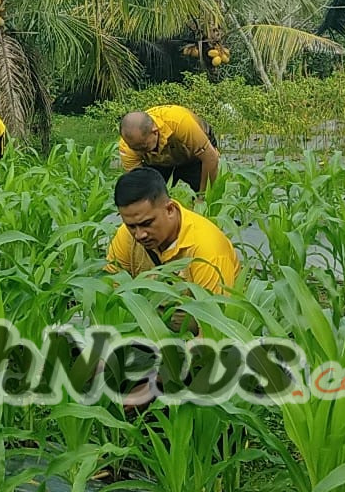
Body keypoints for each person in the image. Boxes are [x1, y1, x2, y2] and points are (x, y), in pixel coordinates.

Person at [99, 167, 242, 415]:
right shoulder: (127, 237)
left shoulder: (206, 248)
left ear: (169, 209)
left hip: (208, 341)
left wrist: (151, 387)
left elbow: (215, 334)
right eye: (130, 225)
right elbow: (111, 303)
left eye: (147, 224)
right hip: (161, 333)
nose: (139, 234)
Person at [118, 105, 220, 196]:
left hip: (193, 155)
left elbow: (210, 158)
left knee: (206, 195)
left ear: (155, 132)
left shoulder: (181, 123)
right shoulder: (127, 147)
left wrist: (202, 197)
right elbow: (139, 183)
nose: (140, 153)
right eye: (136, 149)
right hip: (157, 162)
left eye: (143, 147)